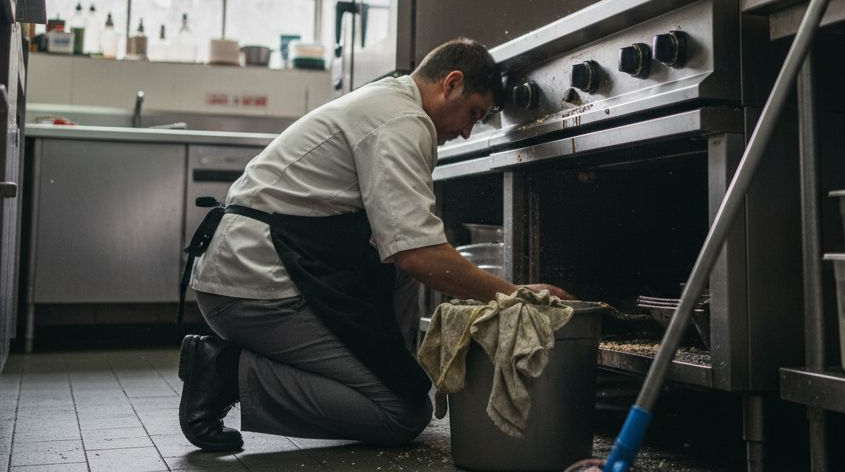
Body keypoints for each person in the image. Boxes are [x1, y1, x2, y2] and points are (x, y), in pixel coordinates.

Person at [177, 38, 571, 452]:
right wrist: (517, 295)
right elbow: (418, 256)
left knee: (400, 346)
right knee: (402, 413)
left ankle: (372, 372)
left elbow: (403, 256)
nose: (467, 130)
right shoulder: (402, 120)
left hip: (254, 273)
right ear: (451, 83)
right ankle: (225, 370)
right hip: (256, 289)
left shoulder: (387, 101)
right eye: (473, 113)